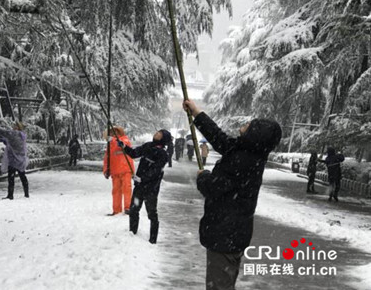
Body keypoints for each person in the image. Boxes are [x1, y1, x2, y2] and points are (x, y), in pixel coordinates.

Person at [183, 99, 282, 290]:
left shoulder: (243, 160)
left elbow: (214, 187)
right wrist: (197, 113)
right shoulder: (249, 152)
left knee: (219, 286)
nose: (244, 125)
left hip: (224, 234)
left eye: (249, 125)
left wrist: (203, 177)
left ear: (255, 134)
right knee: (224, 283)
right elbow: (219, 139)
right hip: (233, 233)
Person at [117, 129, 171, 244]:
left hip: (151, 188)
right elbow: (134, 153)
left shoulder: (163, 154)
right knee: (134, 209)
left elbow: (156, 171)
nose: (156, 134)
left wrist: (143, 178)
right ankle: (132, 232)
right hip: (140, 186)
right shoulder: (148, 145)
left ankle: (152, 239)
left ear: (163, 139)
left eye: (159, 134)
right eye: (156, 132)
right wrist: (124, 147)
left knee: (151, 213)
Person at [0, 122, 30, 200]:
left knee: (11, 178)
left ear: (18, 127)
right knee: (22, 176)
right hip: (21, 160)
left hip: (13, 160)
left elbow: (5, 132)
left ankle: (10, 195)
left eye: (15, 125)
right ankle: (26, 194)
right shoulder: (22, 135)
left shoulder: (14, 133)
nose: (13, 126)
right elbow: (9, 140)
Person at [103, 126, 134, 215]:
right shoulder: (110, 144)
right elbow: (106, 158)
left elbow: (123, 144)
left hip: (125, 170)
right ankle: (116, 210)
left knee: (127, 189)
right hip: (115, 171)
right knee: (116, 191)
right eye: (112, 132)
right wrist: (105, 170)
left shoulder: (125, 140)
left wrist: (112, 140)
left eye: (115, 132)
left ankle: (128, 208)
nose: (113, 134)